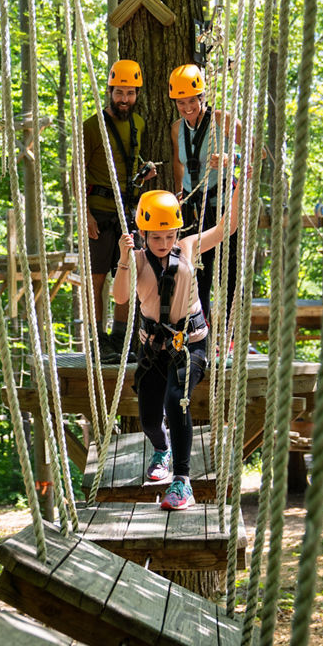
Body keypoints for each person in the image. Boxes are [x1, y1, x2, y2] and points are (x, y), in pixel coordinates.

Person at [112, 189, 239, 510]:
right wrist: (124, 259)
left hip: (190, 344)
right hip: (153, 349)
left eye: (170, 236)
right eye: (157, 238)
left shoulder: (188, 246)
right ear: (143, 234)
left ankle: (182, 482)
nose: (165, 243)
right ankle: (161, 450)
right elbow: (120, 298)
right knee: (149, 417)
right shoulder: (137, 261)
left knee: (176, 401)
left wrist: (240, 187)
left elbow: (227, 228)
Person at [82, 59, 157, 362]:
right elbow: (78, 172)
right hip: (99, 213)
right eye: (119, 93)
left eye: (130, 93)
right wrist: (84, 214)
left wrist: (144, 172)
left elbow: (128, 163)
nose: (124, 99)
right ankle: (98, 340)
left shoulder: (138, 124)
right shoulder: (91, 126)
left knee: (127, 276)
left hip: (128, 214)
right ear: (110, 91)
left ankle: (119, 339)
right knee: (98, 279)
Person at [169, 63, 242, 326]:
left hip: (222, 202)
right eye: (181, 103)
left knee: (231, 269)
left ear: (202, 97)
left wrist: (230, 158)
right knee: (199, 269)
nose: (188, 108)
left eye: (192, 101)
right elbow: (178, 163)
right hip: (193, 206)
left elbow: (258, 153)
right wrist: (179, 193)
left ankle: (232, 331)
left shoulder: (223, 120)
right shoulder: (177, 128)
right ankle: (202, 327)